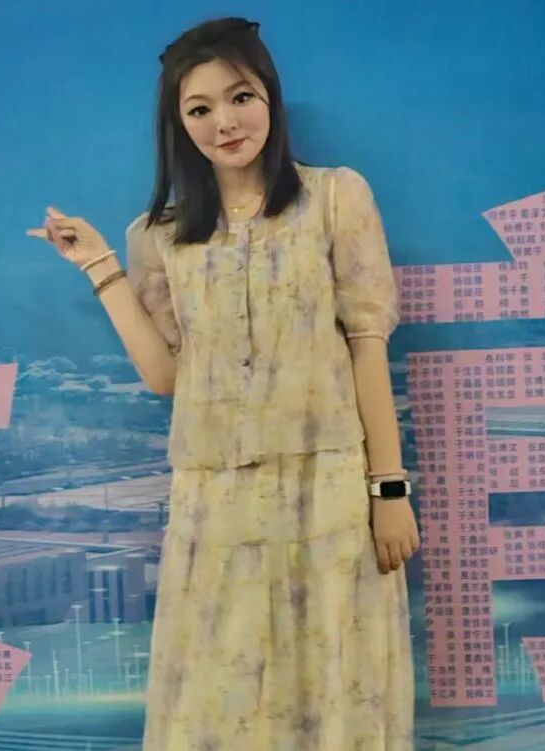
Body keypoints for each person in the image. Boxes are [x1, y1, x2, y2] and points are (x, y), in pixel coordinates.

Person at [28, 16, 417, 750]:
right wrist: (101, 268)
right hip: (215, 501)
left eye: (240, 98)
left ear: (269, 96)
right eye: (200, 109)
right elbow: (165, 376)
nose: (224, 123)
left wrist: (388, 490)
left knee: (337, 688)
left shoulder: (335, 198)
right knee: (220, 701)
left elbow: (368, 348)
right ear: (179, 124)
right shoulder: (159, 235)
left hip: (328, 489)